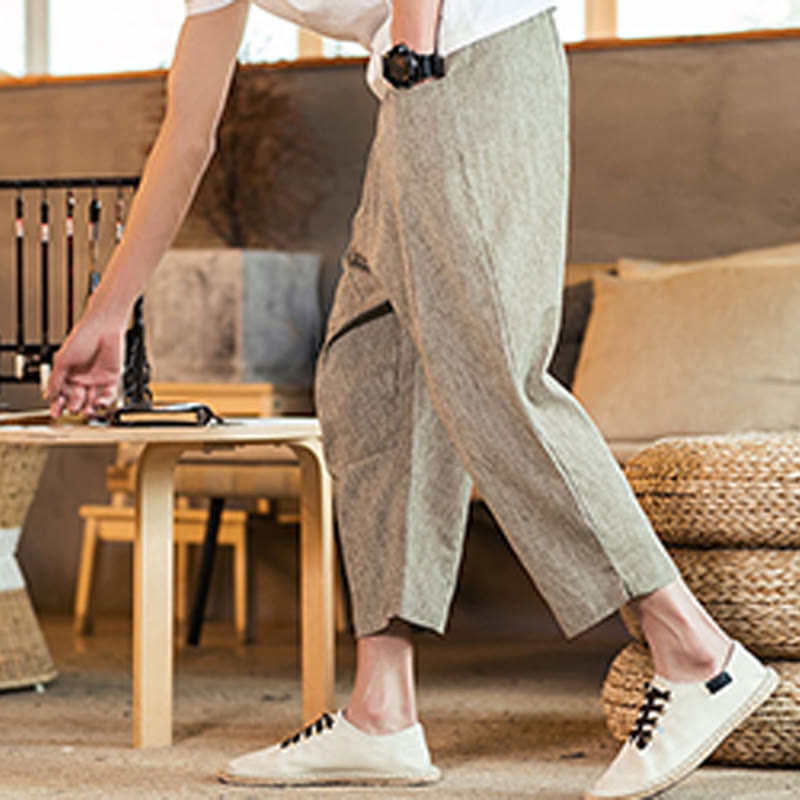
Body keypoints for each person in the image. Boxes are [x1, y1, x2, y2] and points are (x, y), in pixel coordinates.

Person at [47, 1, 779, 797]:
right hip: (415, 83)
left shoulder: (425, 56)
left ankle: (696, 655)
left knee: (487, 368)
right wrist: (108, 312)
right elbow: (188, 136)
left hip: (462, 55)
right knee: (369, 372)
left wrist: (414, 50)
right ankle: (382, 714)